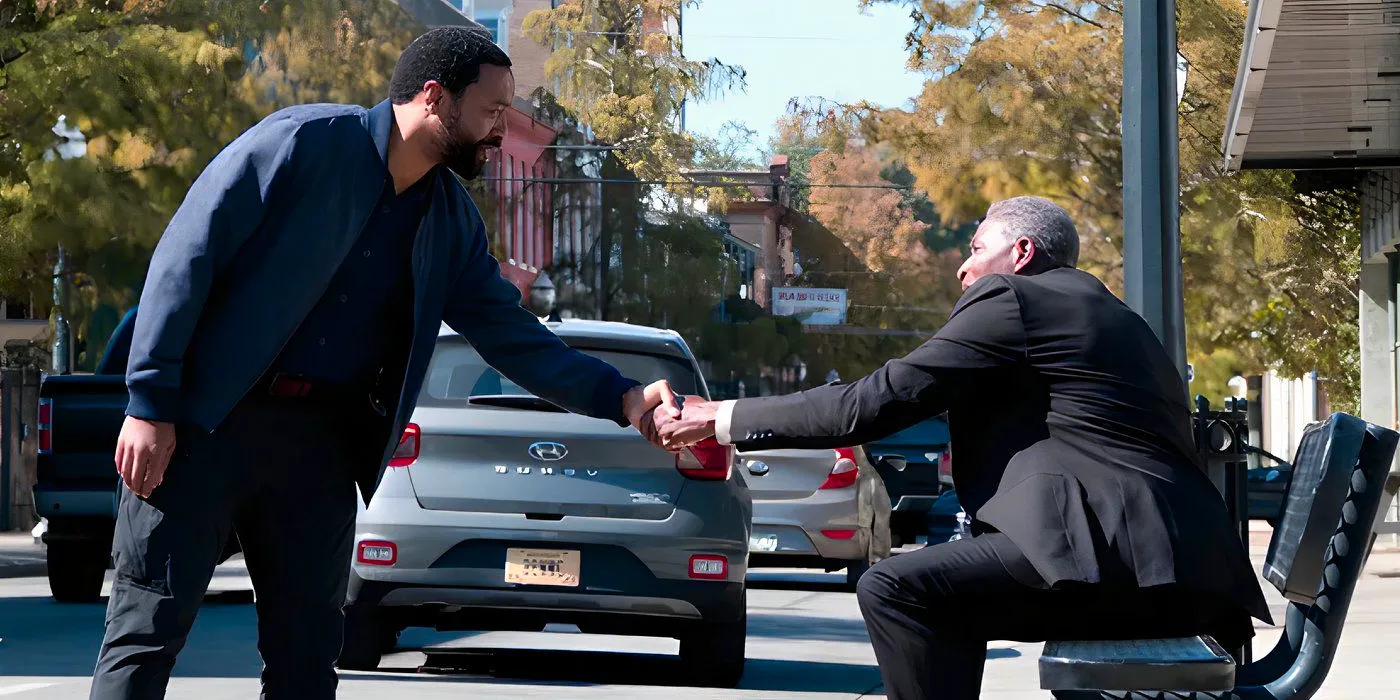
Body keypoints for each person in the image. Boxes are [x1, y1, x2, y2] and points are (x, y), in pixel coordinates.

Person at [92, 28, 679, 700]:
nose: (501, 132)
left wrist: (625, 398)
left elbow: (512, 336)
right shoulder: (300, 145)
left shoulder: (450, 220)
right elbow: (182, 263)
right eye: (492, 111)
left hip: (318, 455)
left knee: (307, 663)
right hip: (203, 429)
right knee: (146, 636)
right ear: (435, 98)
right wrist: (148, 404)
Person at [654, 196, 1271, 700]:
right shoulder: (1099, 309)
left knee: (896, 589)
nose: (963, 268)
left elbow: (873, 403)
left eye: (977, 249)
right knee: (947, 596)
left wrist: (720, 417)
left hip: (1125, 573)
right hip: (1183, 574)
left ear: (1021, 254)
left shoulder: (1015, 300)